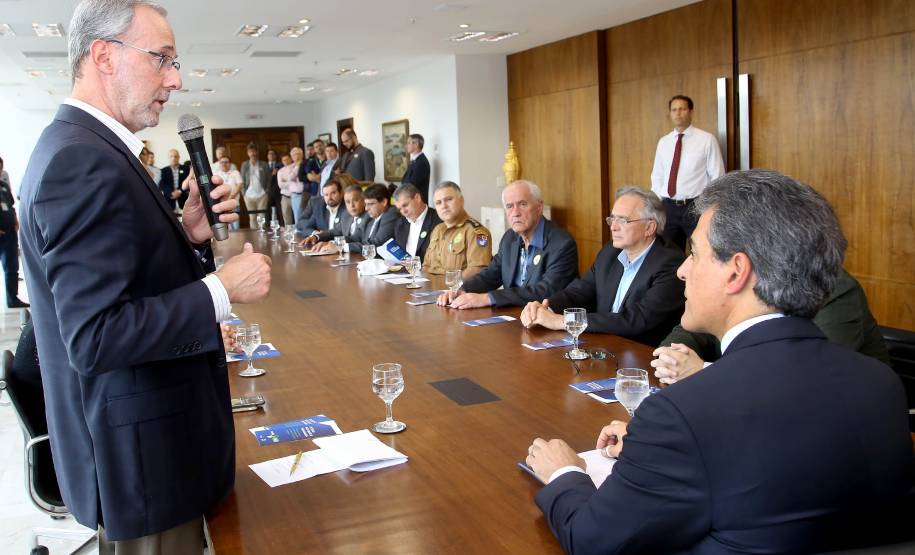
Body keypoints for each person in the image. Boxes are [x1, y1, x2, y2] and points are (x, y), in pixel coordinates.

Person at [525, 170, 913, 554]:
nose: (681, 269)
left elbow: (593, 539)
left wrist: (564, 472)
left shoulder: (681, 414)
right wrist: (657, 453)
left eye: (694, 253)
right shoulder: (882, 384)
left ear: (736, 272)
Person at [18, 0, 273, 552]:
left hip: (147, 448)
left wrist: (188, 237)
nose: (176, 79)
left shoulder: (88, 149)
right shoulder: (80, 161)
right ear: (104, 56)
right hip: (142, 463)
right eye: (162, 59)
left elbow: (124, 282)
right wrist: (221, 291)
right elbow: (96, 335)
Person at [653, 267, 892, 384]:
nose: (683, 270)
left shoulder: (833, 288)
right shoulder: (745, 279)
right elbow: (689, 330)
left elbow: (809, 379)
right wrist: (674, 358)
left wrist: (704, 370)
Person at [520, 187, 684, 346]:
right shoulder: (610, 252)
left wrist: (563, 321)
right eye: (612, 219)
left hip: (642, 355)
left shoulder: (671, 263)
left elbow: (636, 319)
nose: (613, 227)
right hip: (602, 344)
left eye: (623, 220)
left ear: (649, 227)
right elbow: (578, 292)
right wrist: (545, 309)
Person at [438, 180, 578, 309]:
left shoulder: (562, 244)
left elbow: (545, 291)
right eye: (509, 206)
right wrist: (461, 290)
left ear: (539, 207)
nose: (515, 213)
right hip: (513, 316)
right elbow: (490, 275)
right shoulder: (510, 238)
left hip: (548, 322)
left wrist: (488, 298)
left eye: (523, 204)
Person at [650, 95, 725, 251]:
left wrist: (709, 207)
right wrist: (657, 204)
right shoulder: (664, 142)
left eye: (682, 109)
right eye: (674, 110)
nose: (678, 113)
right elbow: (657, 175)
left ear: (691, 112)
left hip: (695, 206)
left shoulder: (706, 140)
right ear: (670, 113)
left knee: (700, 251)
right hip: (668, 207)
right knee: (667, 253)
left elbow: (717, 176)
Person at [423, 181, 492, 279]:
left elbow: (477, 270)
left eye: (449, 199)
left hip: (459, 291)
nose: (444, 206)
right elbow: (426, 266)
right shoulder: (437, 230)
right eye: (438, 203)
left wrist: (449, 283)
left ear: (461, 200)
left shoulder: (476, 232)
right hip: (431, 290)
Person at [306, 184, 368, 252]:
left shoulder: (369, 217)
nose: (352, 205)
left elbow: (359, 241)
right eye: (348, 202)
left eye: (355, 200)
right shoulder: (346, 215)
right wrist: (316, 237)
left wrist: (335, 245)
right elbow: (334, 232)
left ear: (364, 201)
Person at [0, 156, 27, 308]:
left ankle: (12, 298)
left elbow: (11, 205)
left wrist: (16, 221)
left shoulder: (3, 186)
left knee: (11, 268)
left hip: (9, 233)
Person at [392, 182, 441, 261]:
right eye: (400, 209)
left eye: (405, 205)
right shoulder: (400, 224)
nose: (403, 211)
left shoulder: (438, 220)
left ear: (417, 198)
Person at [240, 143, 269, 226]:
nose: (252, 153)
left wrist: (266, 191)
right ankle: (254, 235)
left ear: (257, 152)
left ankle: (262, 235)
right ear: (248, 153)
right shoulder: (244, 165)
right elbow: (241, 179)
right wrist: (244, 193)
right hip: (248, 195)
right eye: (250, 152)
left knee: (262, 216)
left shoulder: (264, 164)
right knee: (252, 217)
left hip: (262, 195)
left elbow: (268, 179)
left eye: (254, 151)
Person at [401, 133, 431, 203]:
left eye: (408, 143)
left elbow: (412, 184)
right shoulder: (415, 160)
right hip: (411, 200)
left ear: (416, 144)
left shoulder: (421, 162)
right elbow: (404, 180)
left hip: (417, 202)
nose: (406, 146)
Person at [158, 148, 189, 213]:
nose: (173, 158)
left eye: (175, 156)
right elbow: (162, 184)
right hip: (169, 200)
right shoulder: (163, 170)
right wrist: (171, 193)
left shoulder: (186, 169)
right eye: (171, 156)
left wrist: (179, 191)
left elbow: (188, 182)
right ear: (168, 158)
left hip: (184, 199)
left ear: (179, 157)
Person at [264, 148, 284, 226]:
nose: (271, 155)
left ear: (275, 156)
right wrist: (272, 174)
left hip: (278, 191)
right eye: (269, 154)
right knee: (268, 211)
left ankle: (282, 226)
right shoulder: (264, 165)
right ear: (267, 156)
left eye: (273, 154)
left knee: (280, 210)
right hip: (268, 191)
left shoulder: (280, 165)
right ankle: (267, 226)